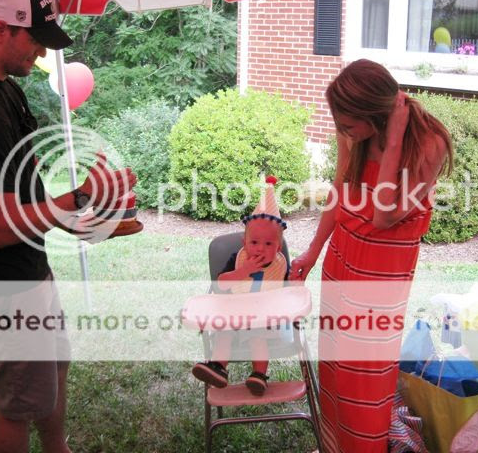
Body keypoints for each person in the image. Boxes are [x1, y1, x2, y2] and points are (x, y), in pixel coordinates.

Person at [0, 0, 136, 453]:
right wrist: (79, 196)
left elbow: (19, 189)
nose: (41, 52)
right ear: (1, 29)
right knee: (19, 403)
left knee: (53, 366)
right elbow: (0, 227)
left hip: (21, 270)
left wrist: (80, 215)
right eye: (35, 38)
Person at [289, 59, 453, 453]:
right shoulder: (356, 133)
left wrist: (393, 143)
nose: (343, 132)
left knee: (366, 372)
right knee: (336, 366)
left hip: (382, 274)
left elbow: (384, 216)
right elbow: (340, 189)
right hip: (342, 257)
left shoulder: (429, 144)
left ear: (374, 115)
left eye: (348, 126)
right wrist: (314, 250)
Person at [192, 176, 289, 396]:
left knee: (257, 337)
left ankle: (259, 375)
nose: (260, 248)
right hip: (234, 311)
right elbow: (220, 286)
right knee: (224, 333)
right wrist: (242, 272)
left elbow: (288, 292)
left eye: (268, 243)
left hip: (262, 315)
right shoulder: (238, 259)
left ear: (278, 247)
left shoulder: (279, 266)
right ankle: (218, 368)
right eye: (254, 242)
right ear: (244, 243)